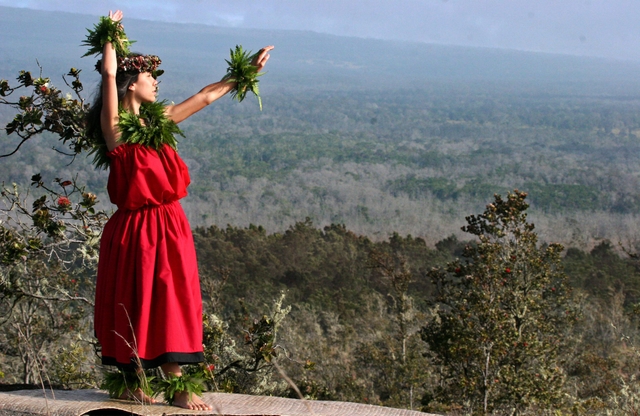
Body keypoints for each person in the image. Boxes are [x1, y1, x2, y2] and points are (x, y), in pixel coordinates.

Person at [87, 10, 273, 410]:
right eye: (148, 77)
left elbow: (204, 96)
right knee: (133, 300)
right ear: (130, 85)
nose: (156, 82)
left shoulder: (161, 123)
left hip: (170, 225)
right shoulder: (116, 131)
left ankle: (180, 385)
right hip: (133, 229)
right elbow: (106, 75)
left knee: (176, 298)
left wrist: (246, 75)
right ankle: (133, 380)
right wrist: (111, 37)